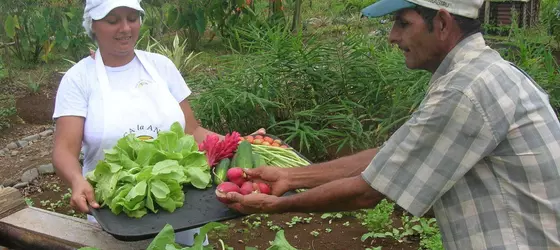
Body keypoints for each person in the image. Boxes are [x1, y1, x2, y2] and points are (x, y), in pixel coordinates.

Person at [223, 0, 560, 249]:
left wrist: (279, 206)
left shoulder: (465, 90)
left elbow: (368, 192)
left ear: (442, 23)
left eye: (402, 23)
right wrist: (291, 176)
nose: (392, 36)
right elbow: (391, 157)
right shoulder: (478, 73)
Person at [51, 0, 266, 246]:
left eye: (132, 18)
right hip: (117, 208)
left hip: (179, 201)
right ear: (93, 25)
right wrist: (77, 181)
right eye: (113, 20)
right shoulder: (79, 79)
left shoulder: (160, 66)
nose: (125, 28)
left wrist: (241, 144)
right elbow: (64, 151)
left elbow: (192, 130)